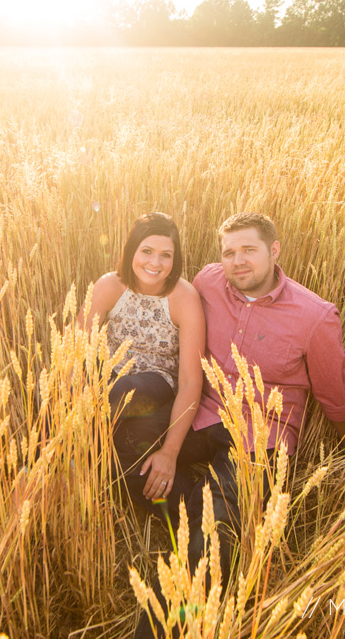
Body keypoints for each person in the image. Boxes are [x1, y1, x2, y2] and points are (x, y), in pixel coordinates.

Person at [134, 212, 345, 638]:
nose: (237, 262)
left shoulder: (315, 316)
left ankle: (163, 627)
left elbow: (335, 397)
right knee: (125, 445)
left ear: (274, 251)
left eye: (249, 250)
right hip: (203, 411)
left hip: (262, 433)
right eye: (229, 252)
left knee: (213, 538)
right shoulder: (208, 282)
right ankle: (206, 507)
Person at [83, 212, 206, 514]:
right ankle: (199, 515)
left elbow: (191, 380)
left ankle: (53, 456)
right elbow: (77, 351)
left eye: (166, 255)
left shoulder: (183, 297)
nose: (155, 263)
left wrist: (170, 451)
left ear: (175, 260)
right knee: (122, 456)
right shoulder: (110, 286)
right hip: (105, 379)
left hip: (154, 383)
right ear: (132, 251)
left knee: (125, 387)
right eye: (147, 251)